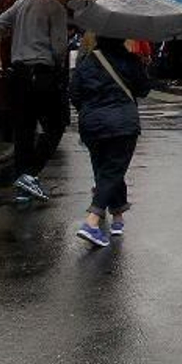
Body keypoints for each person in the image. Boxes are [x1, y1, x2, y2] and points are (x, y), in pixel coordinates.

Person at [70, 34, 152, 248]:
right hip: (122, 124)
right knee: (113, 171)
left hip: (91, 124)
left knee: (105, 170)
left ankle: (117, 216)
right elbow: (144, 89)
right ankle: (92, 221)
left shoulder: (86, 61)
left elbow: (74, 94)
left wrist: (90, 111)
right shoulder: (130, 60)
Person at [0, 0, 70, 203]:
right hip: (43, 73)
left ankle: (23, 188)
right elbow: (59, 47)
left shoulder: (21, 3)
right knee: (56, 125)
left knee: (23, 130)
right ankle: (29, 174)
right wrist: (60, 64)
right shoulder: (56, 7)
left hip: (18, 75)